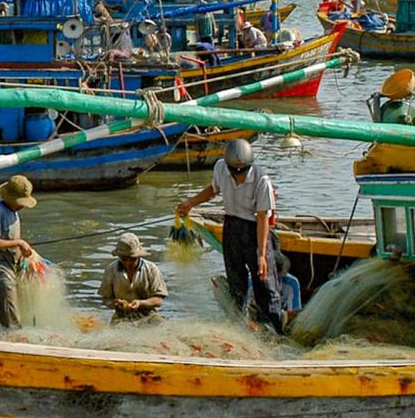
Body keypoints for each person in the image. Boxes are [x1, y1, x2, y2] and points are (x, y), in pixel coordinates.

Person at [175, 139, 284, 331]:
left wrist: (261, 255)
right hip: (232, 226)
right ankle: (238, 326)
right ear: (228, 166)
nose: (238, 175)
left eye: (243, 171)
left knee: (264, 282)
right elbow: (213, 190)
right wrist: (191, 202)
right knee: (235, 280)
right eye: (235, 171)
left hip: (255, 229)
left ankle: (272, 327)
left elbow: (262, 219)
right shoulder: (220, 168)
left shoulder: (261, 180)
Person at [0, 175, 37, 329]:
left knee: (2, 313)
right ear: (10, 198)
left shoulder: (14, 211)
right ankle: (11, 342)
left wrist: (23, 254)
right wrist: (19, 242)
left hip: (11, 265)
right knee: (10, 315)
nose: (22, 205)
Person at [98, 233, 168, 324]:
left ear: (138, 256)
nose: (128, 263)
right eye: (124, 259)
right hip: (121, 317)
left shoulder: (151, 268)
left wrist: (140, 303)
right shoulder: (111, 270)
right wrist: (115, 303)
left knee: (164, 328)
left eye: (132, 259)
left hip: (149, 315)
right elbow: (105, 299)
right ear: (119, 257)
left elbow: (158, 300)